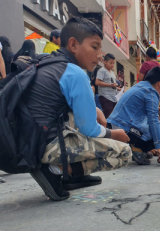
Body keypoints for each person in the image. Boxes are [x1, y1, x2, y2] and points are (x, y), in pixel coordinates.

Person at [23, 17, 132, 201]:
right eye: (95, 47)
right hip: (47, 146)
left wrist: (95, 111)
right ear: (73, 45)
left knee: (89, 123)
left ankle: (70, 175)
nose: (100, 55)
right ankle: (56, 171)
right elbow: (88, 129)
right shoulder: (75, 73)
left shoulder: (47, 63)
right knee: (124, 152)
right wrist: (115, 133)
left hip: (29, 142)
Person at [108, 66, 160, 165]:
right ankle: (137, 148)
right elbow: (153, 121)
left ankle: (140, 148)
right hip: (126, 129)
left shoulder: (140, 86)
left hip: (118, 126)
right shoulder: (152, 92)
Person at [96, 53, 121, 118]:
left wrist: (118, 89)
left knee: (114, 116)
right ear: (105, 62)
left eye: (113, 63)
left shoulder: (112, 72)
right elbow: (97, 82)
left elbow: (112, 85)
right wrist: (109, 85)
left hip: (113, 97)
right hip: (105, 96)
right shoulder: (102, 71)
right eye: (110, 63)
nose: (112, 65)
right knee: (109, 117)